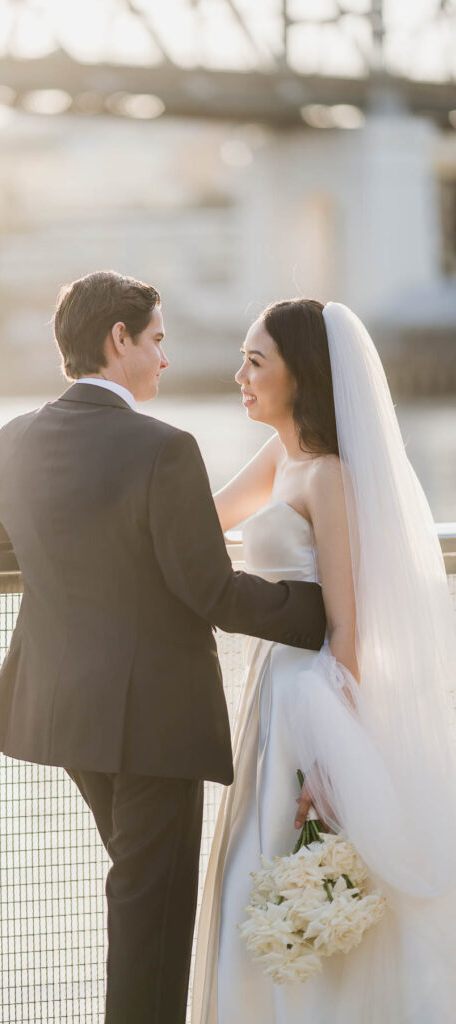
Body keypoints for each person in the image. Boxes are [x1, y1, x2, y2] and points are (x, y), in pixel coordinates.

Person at [0, 271, 327, 1024]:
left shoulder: (18, 435)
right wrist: (314, 610)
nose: (164, 359)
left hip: (62, 712)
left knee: (136, 896)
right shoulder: (161, 448)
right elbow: (212, 591)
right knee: (151, 919)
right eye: (156, 339)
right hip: (152, 720)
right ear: (117, 339)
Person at [191, 298, 456, 1024]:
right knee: (258, 861)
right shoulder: (281, 455)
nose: (238, 374)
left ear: (299, 375)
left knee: (298, 853)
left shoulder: (329, 478)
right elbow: (202, 521)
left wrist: (328, 760)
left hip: (313, 696)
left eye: (255, 361)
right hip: (268, 689)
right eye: (242, 358)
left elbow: (348, 627)